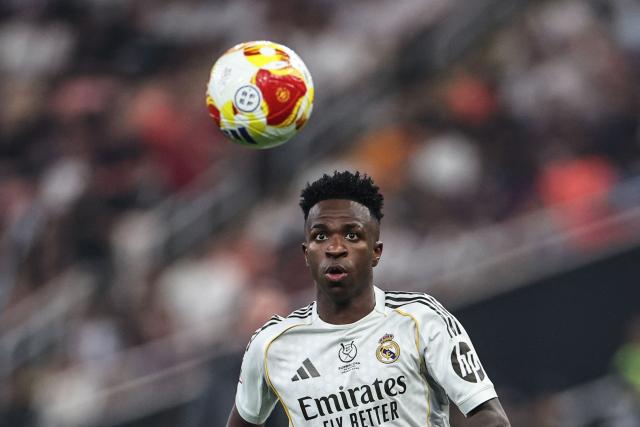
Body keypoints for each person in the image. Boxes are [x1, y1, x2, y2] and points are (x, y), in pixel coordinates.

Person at [226, 171, 510, 427]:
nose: (335, 248)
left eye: (352, 235)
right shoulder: (271, 344)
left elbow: (491, 418)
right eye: (321, 236)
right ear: (306, 253)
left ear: (376, 252)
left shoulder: (422, 320)